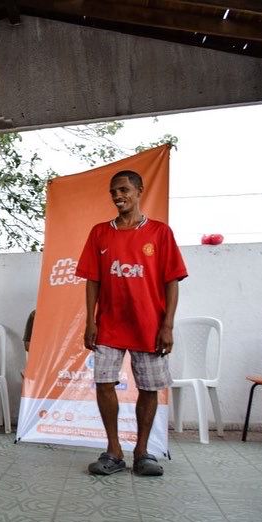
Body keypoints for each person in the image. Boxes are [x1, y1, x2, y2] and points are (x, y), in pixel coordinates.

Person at [76, 170, 187, 477]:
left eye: (124, 189)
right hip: (109, 325)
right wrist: (90, 321)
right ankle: (113, 451)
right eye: (113, 191)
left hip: (148, 325)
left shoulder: (160, 232)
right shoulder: (100, 232)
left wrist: (167, 325)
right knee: (104, 384)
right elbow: (92, 280)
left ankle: (142, 452)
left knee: (149, 388)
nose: (118, 196)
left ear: (139, 190)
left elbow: (172, 281)